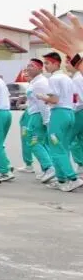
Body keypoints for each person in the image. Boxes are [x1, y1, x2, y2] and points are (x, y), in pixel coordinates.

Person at [40, 52, 82, 191]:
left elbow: (55, 100)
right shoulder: (67, 78)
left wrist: (42, 97)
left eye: (47, 63)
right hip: (69, 113)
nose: (45, 66)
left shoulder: (54, 79)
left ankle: (73, 178)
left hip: (59, 114)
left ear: (55, 63)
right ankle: (61, 179)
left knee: (56, 148)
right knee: (62, 147)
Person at [21, 59, 56, 184]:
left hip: (38, 116)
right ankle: (48, 169)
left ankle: (49, 167)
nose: (29, 68)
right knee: (39, 142)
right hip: (34, 115)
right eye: (28, 66)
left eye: (32, 66)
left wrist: (46, 120)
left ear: (40, 68)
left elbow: (43, 103)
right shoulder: (34, 82)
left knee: (33, 141)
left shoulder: (40, 83)